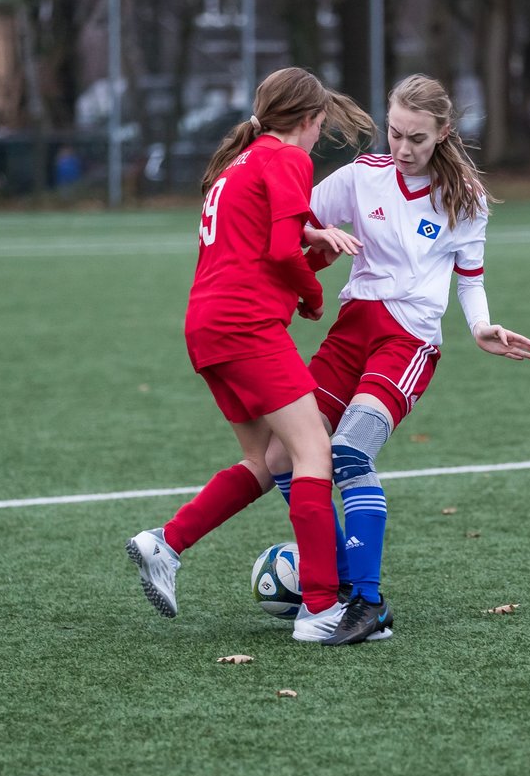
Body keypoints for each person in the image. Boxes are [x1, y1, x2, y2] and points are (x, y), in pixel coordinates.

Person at [268, 74, 530, 646]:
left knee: (347, 450)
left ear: (442, 133)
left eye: (417, 137)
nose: (403, 147)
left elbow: (470, 277)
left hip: (408, 340)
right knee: (282, 455)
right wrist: (308, 241)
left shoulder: (464, 197)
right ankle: (341, 575)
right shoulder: (363, 176)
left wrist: (480, 326)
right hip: (351, 329)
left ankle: (368, 602)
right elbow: (297, 217)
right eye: (394, 132)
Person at [126, 67, 375, 643]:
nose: (318, 140)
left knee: (266, 460)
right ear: (310, 122)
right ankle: (319, 609)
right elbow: (282, 249)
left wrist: (316, 252)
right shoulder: (288, 159)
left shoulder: (242, 163)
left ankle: (165, 543)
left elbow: (269, 250)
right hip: (247, 327)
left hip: (207, 326)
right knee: (314, 448)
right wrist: (314, 296)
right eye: (321, 128)